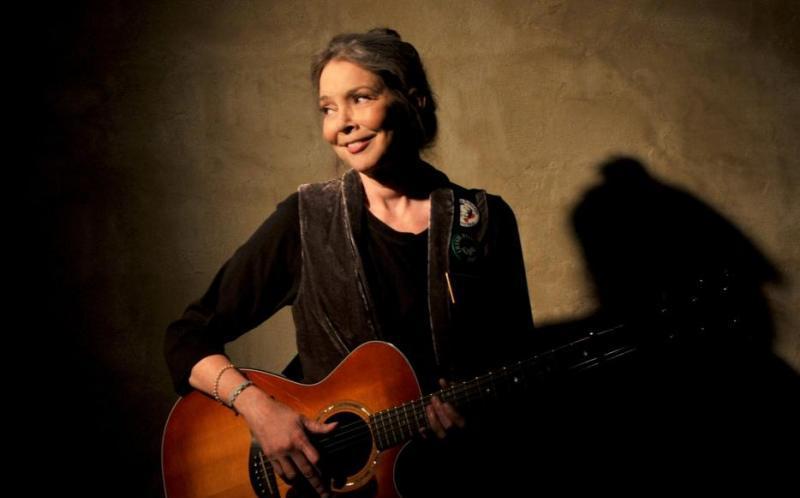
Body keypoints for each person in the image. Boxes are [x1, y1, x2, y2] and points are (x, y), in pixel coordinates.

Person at [165, 28, 534, 497]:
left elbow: (517, 368)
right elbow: (188, 336)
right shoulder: (306, 220)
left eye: (360, 99)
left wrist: (471, 416)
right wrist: (259, 409)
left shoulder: (482, 220)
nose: (341, 124)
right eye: (328, 108)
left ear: (413, 100)